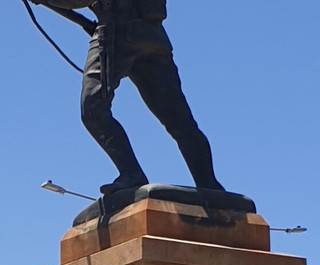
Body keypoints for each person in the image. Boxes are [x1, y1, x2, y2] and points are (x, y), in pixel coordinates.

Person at [31, 0, 224, 195]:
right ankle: (210, 185)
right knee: (180, 121)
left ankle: (132, 174)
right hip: (153, 38)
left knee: (92, 110)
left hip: (117, 33)